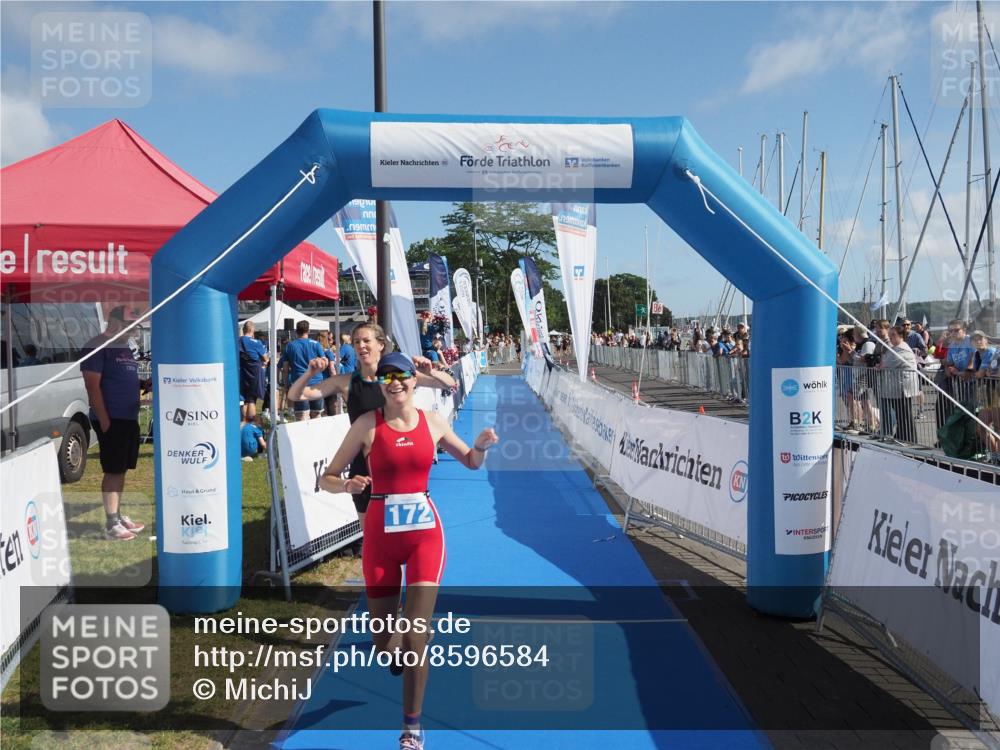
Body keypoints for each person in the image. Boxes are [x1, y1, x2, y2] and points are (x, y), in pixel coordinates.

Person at [319, 352, 499, 750]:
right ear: (381, 383)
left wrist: (482, 447)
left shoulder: (433, 423)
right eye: (387, 376)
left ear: (414, 380)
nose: (395, 382)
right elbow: (327, 476)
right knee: (384, 644)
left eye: (401, 375)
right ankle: (395, 641)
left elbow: (470, 461)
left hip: (424, 537)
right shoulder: (368, 425)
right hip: (380, 539)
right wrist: (344, 486)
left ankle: (411, 729)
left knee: (416, 635)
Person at [287, 322, 457, 527]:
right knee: (373, 542)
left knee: (405, 537)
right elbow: (296, 395)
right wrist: (309, 374)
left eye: (366, 341)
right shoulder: (345, 381)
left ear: (381, 345)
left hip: (397, 467)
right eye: (357, 342)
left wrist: (432, 372)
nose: (361, 346)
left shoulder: (399, 377)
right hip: (364, 471)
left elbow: (449, 383)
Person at [80, 306, 145, 541]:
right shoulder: (97, 345)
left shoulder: (124, 347)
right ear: (115, 321)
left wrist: (144, 384)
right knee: (113, 469)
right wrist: (105, 420)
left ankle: (117, 514)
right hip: (112, 419)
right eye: (130, 325)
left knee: (122, 468)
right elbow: (92, 385)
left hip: (128, 418)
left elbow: (123, 377)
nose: (132, 331)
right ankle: (111, 523)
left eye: (135, 326)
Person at [876, 324, 919, 443]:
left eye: (893, 335)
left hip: (903, 388)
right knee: (901, 414)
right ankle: (901, 437)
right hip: (897, 388)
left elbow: (884, 364)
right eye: (890, 335)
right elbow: (883, 363)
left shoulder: (902, 348)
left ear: (901, 336)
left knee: (905, 415)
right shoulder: (894, 348)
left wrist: (880, 366)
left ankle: (909, 439)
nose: (890, 338)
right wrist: (880, 365)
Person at [280, 321, 327, 421]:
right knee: (317, 416)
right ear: (308, 331)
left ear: (296, 331)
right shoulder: (316, 344)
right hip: (316, 383)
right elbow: (324, 362)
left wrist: (286, 385)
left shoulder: (290, 346)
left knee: (302, 417)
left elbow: (285, 368)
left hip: (299, 383)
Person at [238, 321, 269, 422]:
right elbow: (265, 359)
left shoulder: (237, 341)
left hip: (241, 373)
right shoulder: (256, 342)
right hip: (254, 373)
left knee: (243, 400)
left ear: (243, 330)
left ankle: (242, 423)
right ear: (252, 330)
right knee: (251, 400)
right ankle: (250, 424)